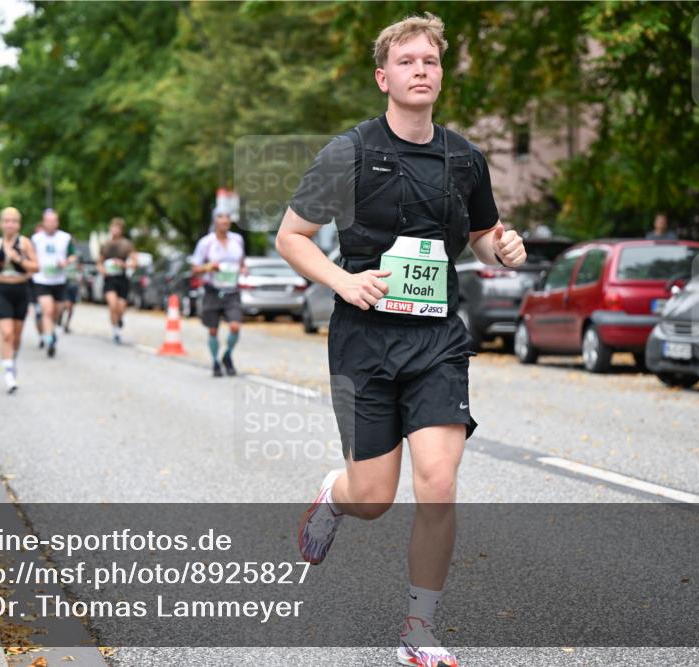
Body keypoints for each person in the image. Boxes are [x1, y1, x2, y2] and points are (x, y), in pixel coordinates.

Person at [275, 14, 526, 667]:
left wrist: (505, 249)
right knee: (375, 496)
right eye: (408, 60)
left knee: (438, 484)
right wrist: (344, 280)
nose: (422, 69)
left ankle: (419, 629)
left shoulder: (465, 158)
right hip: (365, 339)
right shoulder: (349, 153)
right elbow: (291, 236)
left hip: (437, 338)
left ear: (441, 75)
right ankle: (336, 493)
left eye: (431, 61)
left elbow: (484, 242)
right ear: (384, 76)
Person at [0, 207, 38, 393]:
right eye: (6, 221)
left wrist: (18, 259)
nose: (10, 224)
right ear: (1, 224)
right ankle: (8, 374)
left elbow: (36, 267)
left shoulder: (25, 243)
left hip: (21, 290)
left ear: (18, 224)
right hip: (2, 290)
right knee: (6, 333)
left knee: (16, 336)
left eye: (13, 221)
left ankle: (11, 359)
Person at [191, 210, 245, 377]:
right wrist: (209, 267)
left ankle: (227, 356)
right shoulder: (205, 243)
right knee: (213, 330)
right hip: (213, 291)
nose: (225, 220)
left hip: (232, 291)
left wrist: (243, 268)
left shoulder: (237, 240)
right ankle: (215, 362)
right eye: (221, 217)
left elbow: (242, 261)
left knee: (235, 326)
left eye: (228, 217)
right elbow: (194, 269)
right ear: (215, 221)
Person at [31, 209, 77, 357]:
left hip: (59, 280)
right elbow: (30, 256)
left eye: (53, 221)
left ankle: (51, 331)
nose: (51, 224)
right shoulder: (36, 239)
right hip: (42, 280)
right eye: (48, 221)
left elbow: (73, 255)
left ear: (57, 222)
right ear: (44, 222)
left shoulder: (65, 238)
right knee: (48, 310)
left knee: (57, 312)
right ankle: (49, 339)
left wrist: (66, 261)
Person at [98, 217, 138, 344]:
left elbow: (134, 261)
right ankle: (116, 332)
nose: (115, 230)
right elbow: (99, 262)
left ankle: (119, 318)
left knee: (120, 307)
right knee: (112, 304)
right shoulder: (106, 245)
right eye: (113, 227)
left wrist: (125, 265)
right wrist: (103, 270)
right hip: (110, 279)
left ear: (121, 230)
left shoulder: (126, 244)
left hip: (122, 278)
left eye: (117, 228)